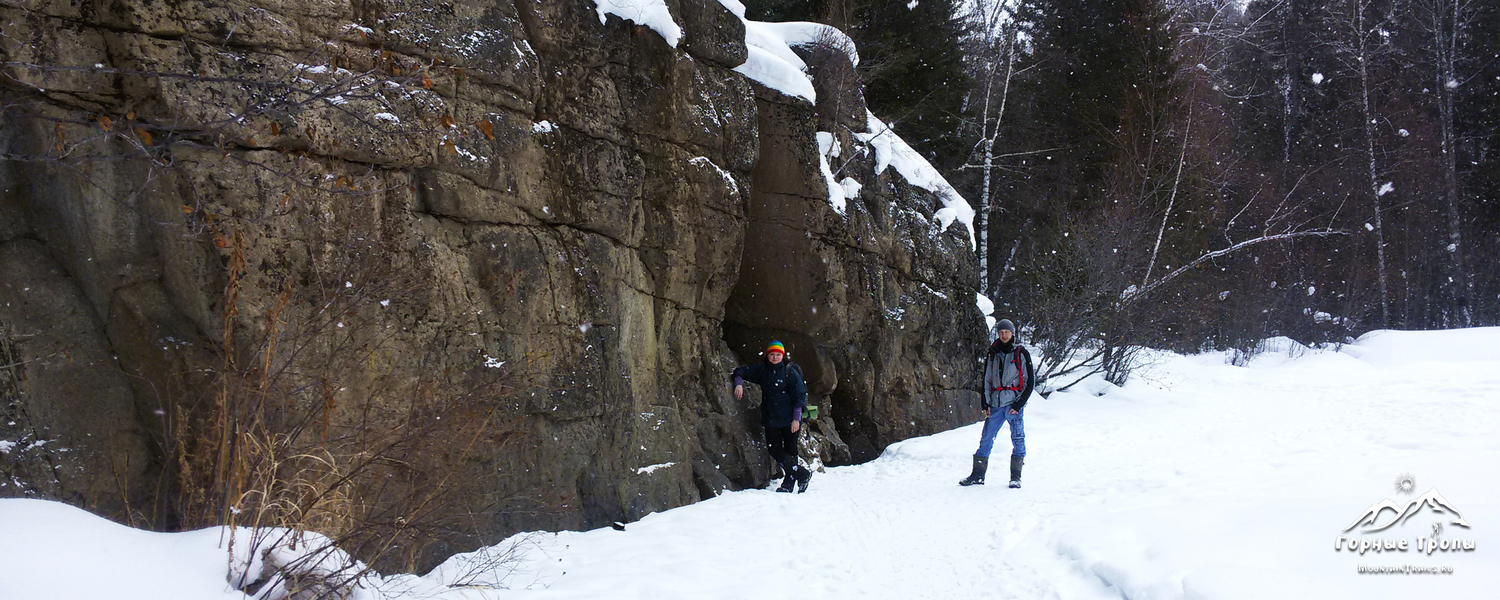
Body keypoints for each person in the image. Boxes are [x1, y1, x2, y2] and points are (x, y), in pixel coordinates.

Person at [959, 319, 1035, 488]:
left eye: (1006, 332)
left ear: (1012, 333)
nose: (1004, 335)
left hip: (1014, 403)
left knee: (1018, 438)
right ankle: (978, 475)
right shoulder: (992, 353)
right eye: (1001, 332)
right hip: (995, 404)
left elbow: (1030, 382)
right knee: (986, 438)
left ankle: (1016, 477)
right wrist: (985, 404)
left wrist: (1019, 404)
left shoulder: (1021, 353)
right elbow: (986, 380)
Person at [733, 340, 813, 493]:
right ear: (767, 355)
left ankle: (788, 484)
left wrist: (796, 419)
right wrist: (738, 383)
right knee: (774, 449)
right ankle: (801, 474)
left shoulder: (790, 372)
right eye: (772, 354)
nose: (775, 357)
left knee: (791, 450)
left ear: (782, 356)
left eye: (778, 355)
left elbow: (799, 397)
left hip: (790, 419)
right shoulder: (762, 370)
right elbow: (740, 371)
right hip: (771, 418)